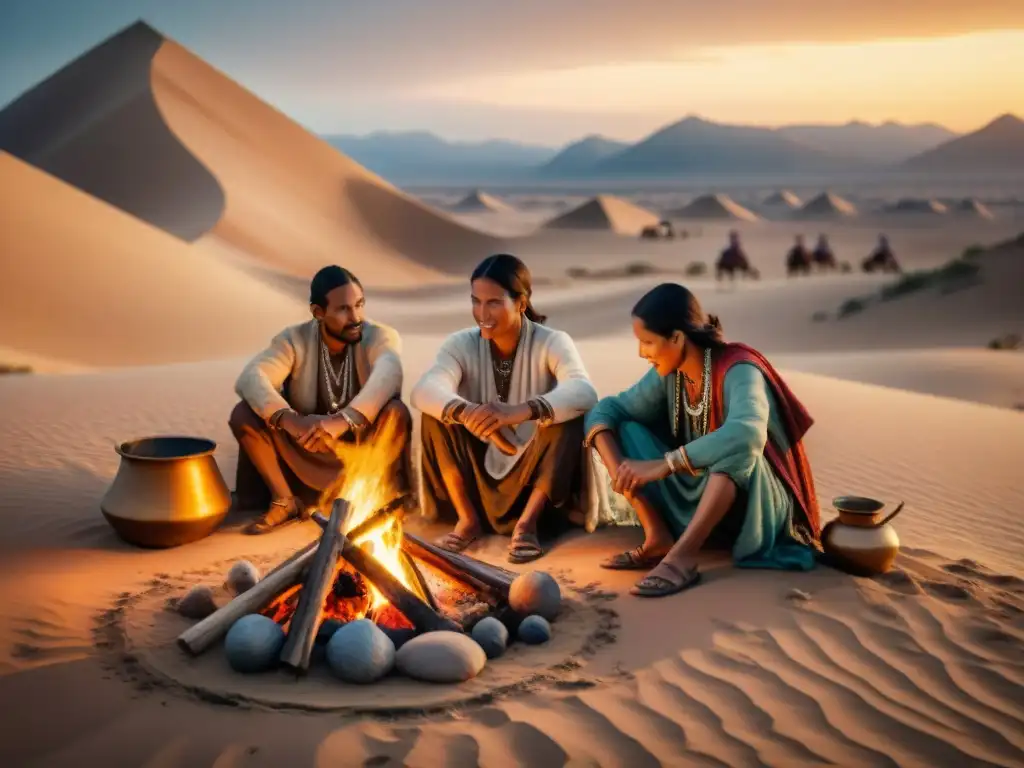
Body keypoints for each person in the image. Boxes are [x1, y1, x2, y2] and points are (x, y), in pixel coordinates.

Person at [583, 283, 821, 597]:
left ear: (677, 338)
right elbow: (607, 409)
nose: (642, 353)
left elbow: (748, 433)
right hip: (695, 494)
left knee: (737, 448)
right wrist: (622, 471)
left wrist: (664, 465)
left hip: (751, 506)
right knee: (622, 426)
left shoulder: (739, 368)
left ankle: (681, 559)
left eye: (648, 342)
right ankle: (657, 534)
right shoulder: (671, 372)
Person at [411, 254, 599, 563]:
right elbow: (424, 390)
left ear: (521, 303)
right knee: (437, 414)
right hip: (476, 477)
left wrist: (521, 411)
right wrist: (467, 413)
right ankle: (467, 519)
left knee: (565, 418)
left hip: (532, 477)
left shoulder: (553, 341)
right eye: (476, 302)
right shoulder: (460, 344)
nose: (482, 313)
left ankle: (527, 525)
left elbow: (583, 391)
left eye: (494, 303)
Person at [230, 266, 411, 534]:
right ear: (318, 312)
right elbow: (251, 377)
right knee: (243, 413)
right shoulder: (294, 340)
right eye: (343, 309)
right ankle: (285, 500)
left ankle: (365, 498)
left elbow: (389, 372)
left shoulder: (380, 336)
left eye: (359, 305)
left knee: (396, 412)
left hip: (357, 453)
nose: (355, 317)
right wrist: (290, 420)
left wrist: (342, 421)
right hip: (305, 446)